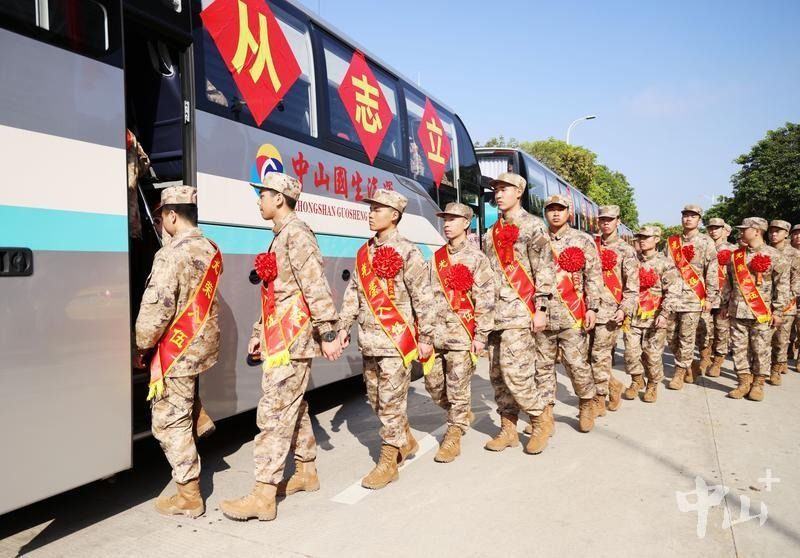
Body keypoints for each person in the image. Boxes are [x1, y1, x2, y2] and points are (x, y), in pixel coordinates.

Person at [220, 173, 341, 522]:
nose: (258, 200)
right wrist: (260, 330)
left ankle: (263, 495)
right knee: (293, 407)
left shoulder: (297, 234)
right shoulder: (281, 235)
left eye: (263, 194)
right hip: (281, 336)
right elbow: (277, 294)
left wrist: (328, 333)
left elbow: (315, 285)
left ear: (279, 198)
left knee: (274, 413)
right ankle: (306, 471)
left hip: (293, 338)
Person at [337, 189, 436, 489]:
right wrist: (343, 326)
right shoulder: (364, 252)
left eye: (377, 209)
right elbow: (354, 292)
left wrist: (426, 336)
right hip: (369, 340)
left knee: (391, 403)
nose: (371, 214)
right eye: (371, 209)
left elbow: (423, 297)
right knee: (377, 400)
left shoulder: (408, 251)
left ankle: (388, 462)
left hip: (396, 342)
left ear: (394, 215)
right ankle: (405, 440)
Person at [133, 185, 221, 518]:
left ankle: (189, 495)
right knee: (184, 404)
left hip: (177, 351)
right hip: (201, 347)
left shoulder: (170, 254)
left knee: (169, 422)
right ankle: (198, 417)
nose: (161, 224)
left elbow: (157, 308)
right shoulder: (210, 248)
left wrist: (141, 345)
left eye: (161, 218)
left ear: (171, 216)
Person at [481, 173, 554, 454]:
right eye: (496, 190)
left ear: (519, 192)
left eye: (504, 189)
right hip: (494, 316)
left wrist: (541, 309)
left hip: (519, 313)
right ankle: (508, 429)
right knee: (498, 376)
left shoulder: (534, 226)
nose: (498, 194)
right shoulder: (490, 232)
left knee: (517, 373)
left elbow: (544, 269)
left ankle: (539, 422)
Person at [425, 202, 495, 462]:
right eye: (445, 219)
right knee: (433, 386)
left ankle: (453, 435)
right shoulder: (436, 258)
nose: (447, 224)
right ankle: (461, 412)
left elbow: (486, 299)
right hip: (435, 335)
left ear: (466, 223)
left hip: (461, 336)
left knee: (457, 388)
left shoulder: (477, 259)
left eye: (453, 219)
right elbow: (425, 296)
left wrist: (481, 336)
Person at [536, 194, 603, 433]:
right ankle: (545, 414)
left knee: (576, 364)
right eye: (550, 209)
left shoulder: (583, 240)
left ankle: (586, 403)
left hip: (572, 314)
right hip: (542, 314)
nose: (555, 213)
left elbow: (593, 276)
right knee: (542, 367)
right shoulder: (537, 239)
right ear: (545, 213)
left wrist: (592, 307)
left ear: (568, 213)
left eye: (560, 209)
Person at [721, 218, 789, 401]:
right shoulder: (736, 256)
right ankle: (743, 382)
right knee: (739, 349)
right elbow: (728, 282)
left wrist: (778, 311)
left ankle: (758, 384)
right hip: (737, 310)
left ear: (757, 231)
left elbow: (782, 286)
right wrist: (724, 304)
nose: (741, 232)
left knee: (761, 349)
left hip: (762, 312)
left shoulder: (775, 255)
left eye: (745, 229)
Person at [622, 226, 680, 402]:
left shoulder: (665, 264)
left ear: (656, 239)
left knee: (652, 356)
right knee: (631, 353)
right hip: (632, 316)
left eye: (646, 237)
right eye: (640, 237)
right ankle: (636, 380)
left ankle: (652, 385)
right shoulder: (631, 261)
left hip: (655, 318)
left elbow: (673, 291)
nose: (642, 240)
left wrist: (665, 314)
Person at [664, 204, 719, 389]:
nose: (688, 219)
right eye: (685, 215)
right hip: (672, 297)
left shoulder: (706, 242)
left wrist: (710, 298)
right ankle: (689, 364)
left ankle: (679, 373)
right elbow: (665, 267)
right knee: (670, 336)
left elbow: (712, 271)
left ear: (699, 220)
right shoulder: (672, 241)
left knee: (687, 337)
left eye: (692, 216)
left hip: (693, 298)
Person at [590, 205, 638, 414]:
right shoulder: (590, 245)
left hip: (610, 312)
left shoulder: (626, 250)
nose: (606, 223)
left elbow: (632, 286)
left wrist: (624, 309)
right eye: (602, 219)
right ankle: (613, 385)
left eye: (610, 219)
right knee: (585, 357)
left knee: (600, 356)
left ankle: (599, 399)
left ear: (618, 221)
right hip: (587, 310)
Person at [695, 218, 737, 377]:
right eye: (711, 228)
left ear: (724, 229)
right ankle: (704, 357)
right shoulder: (702, 246)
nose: (713, 231)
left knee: (721, 330)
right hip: (704, 295)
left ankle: (718, 362)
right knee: (703, 329)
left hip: (723, 296)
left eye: (717, 228)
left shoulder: (733, 250)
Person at [767, 220, 800, 385]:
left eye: (778, 231)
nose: (774, 234)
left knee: (781, 340)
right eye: (771, 231)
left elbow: (796, 280)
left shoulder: (794, 254)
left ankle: (776, 369)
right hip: (763, 303)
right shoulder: (765, 250)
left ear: (786, 234)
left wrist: (786, 299)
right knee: (762, 340)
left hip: (786, 304)